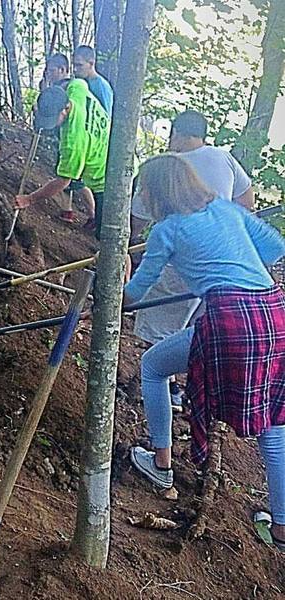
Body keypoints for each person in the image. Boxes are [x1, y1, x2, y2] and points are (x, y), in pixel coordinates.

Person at [124, 154, 285, 550]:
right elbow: (275, 247)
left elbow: (137, 291)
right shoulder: (226, 208)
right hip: (275, 310)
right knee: (275, 420)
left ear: (156, 192)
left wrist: (112, 295)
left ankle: (161, 464)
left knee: (152, 366)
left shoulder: (167, 230)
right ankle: (282, 526)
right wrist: (230, 268)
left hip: (231, 319)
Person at [130, 110, 255, 406]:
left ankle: (167, 387)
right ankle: (193, 391)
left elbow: (136, 219)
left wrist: (130, 244)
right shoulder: (223, 158)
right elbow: (247, 201)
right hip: (220, 268)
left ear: (177, 134)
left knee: (159, 326)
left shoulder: (168, 169)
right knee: (197, 328)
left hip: (181, 262)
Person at [15, 79, 110, 238]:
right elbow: (78, 82)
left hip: (107, 183)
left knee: (107, 237)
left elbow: (63, 181)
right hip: (117, 158)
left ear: (65, 108)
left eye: (54, 118)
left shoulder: (73, 143)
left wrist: (29, 199)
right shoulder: (77, 88)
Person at [73, 45, 114, 115]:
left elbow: (106, 117)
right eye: (74, 65)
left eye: (80, 65)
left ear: (91, 63)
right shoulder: (78, 84)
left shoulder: (102, 86)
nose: (75, 69)